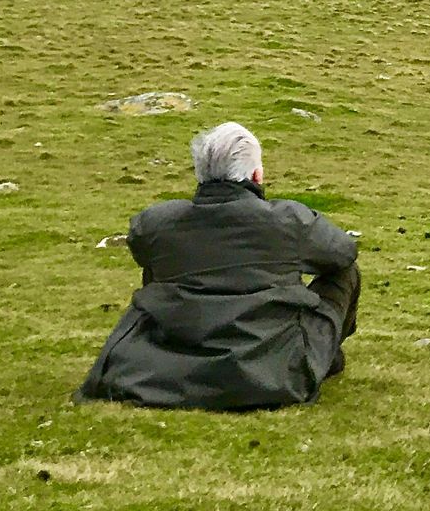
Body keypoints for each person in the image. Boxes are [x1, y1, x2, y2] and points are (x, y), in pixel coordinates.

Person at [78, 122, 359, 410]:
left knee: (158, 268)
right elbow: (343, 252)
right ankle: (323, 355)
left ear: (200, 173)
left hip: (159, 373)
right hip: (272, 374)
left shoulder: (156, 224)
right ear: (256, 175)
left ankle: (172, 353)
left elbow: (142, 252)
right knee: (344, 272)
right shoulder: (290, 221)